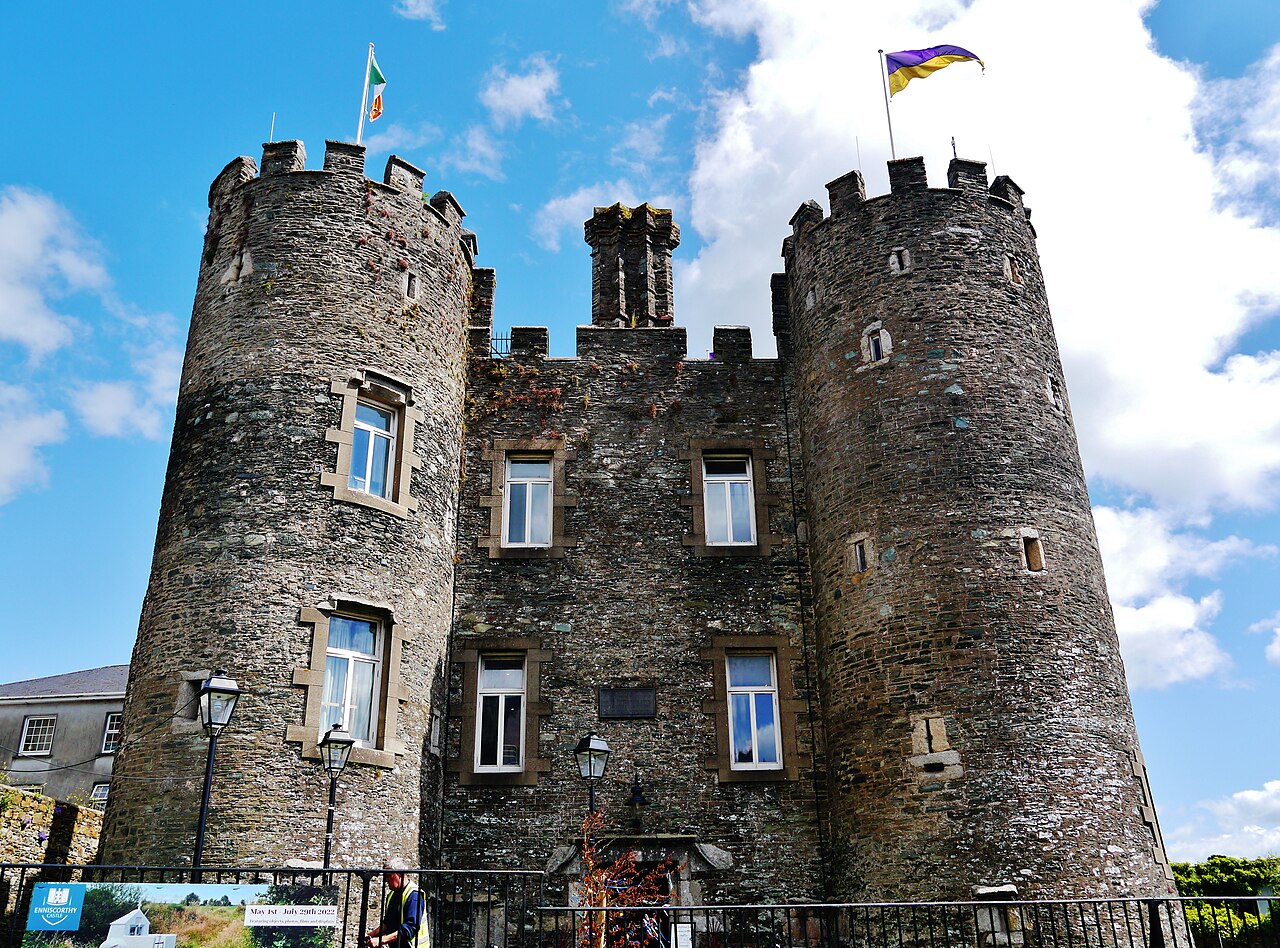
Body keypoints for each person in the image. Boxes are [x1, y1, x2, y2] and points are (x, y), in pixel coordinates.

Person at [365, 870, 426, 948]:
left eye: (389, 876)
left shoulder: (414, 895)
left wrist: (381, 940)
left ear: (399, 874)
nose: (386, 880)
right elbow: (387, 923)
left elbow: (410, 928)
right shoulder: (391, 895)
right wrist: (369, 935)